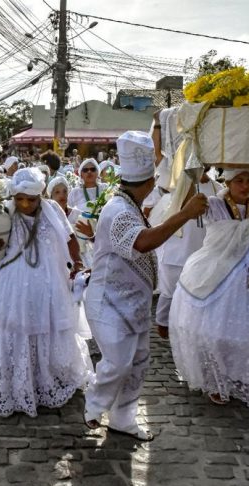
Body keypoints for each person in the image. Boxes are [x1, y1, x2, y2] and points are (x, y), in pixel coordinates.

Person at [83, 131, 208, 441]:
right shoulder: (119, 210)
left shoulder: (130, 205)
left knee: (138, 364)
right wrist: (186, 214)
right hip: (109, 302)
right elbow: (144, 242)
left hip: (132, 303)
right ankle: (94, 402)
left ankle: (123, 419)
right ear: (150, 182)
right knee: (119, 361)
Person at [0, 167, 93, 417]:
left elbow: (69, 238)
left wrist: (77, 263)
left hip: (49, 282)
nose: (25, 204)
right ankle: (14, 383)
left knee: (46, 326)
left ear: (41, 195)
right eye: (20, 199)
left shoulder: (53, 210)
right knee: (14, 329)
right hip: (10, 281)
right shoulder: (4, 211)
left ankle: (43, 380)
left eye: (31, 199)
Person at [170, 169, 249, 410]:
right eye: (239, 180)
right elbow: (185, 208)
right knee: (215, 333)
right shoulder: (213, 205)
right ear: (227, 181)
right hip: (218, 274)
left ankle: (243, 375)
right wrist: (193, 174)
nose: (245, 186)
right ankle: (216, 380)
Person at [154, 168, 221, 339]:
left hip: (205, 256)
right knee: (168, 300)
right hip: (177, 254)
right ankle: (167, 330)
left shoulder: (219, 189)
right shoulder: (176, 187)